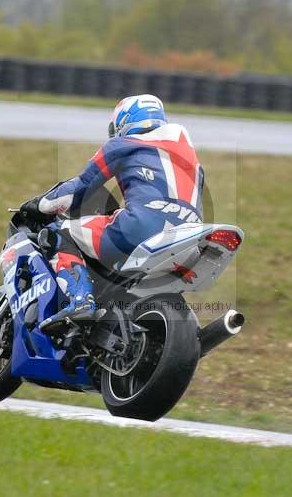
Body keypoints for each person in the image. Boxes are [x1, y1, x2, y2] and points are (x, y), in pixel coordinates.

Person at [20, 94, 205, 333]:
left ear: (123, 122)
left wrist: (39, 205)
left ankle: (79, 302)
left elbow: (79, 189)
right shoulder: (190, 156)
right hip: (189, 238)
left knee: (58, 233)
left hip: (141, 227)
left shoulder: (122, 144)